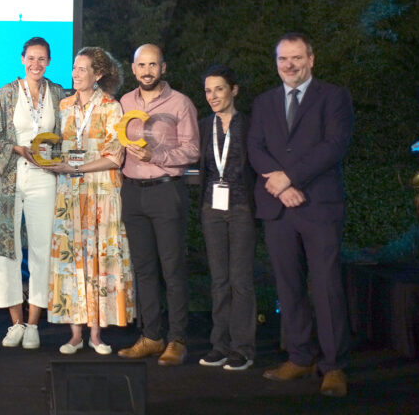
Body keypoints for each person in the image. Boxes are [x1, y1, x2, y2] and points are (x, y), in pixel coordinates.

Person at [248, 33, 354, 397]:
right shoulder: (264, 102)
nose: (289, 65)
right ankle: (299, 355)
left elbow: (334, 146)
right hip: (279, 208)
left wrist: (290, 177)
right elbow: (255, 148)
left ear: (311, 59)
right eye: (282, 59)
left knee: (326, 288)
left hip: (319, 206)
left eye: (296, 58)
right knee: (288, 286)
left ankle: (334, 365)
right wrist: (281, 186)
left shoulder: (334, 97)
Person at [44, 47, 134, 355]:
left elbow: (115, 155)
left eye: (82, 69)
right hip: (70, 192)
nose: (75, 74)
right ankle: (74, 333)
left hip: (101, 193)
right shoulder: (64, 106)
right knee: (72, 261)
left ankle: (96, 333)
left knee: (99, 260)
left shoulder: (112, 106)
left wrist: (76, 167)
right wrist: (47, 157)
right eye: (74, 68)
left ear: (98, 74)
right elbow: (59, 146)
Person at [116, 43, 200, 366]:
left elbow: (192, 150)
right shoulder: (124, 103)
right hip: (133, 191)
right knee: (144, 268)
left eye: (154, 65)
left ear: (163, 68)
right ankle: (151, 336)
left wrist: (158, 156)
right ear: (134, 69)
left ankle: (178, 339)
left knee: (172, 267)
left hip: (167, 191)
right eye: (142, 65)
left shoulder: (180, 103)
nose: (147, 71)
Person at [0, 37, 65, 350]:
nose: (36, 64)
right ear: (22, 59)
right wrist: (18, 148)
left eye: (42, 59)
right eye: (31, 58)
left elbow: (65, 135)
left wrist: (49, 154)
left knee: (43, 249)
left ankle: (33, 324)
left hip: (44, 177)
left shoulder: (57, 93)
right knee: (6, 251)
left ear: (48, 61)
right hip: (8, 178)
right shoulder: (7, 93)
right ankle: (14, 322)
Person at [197, 64, 257, 371]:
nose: (212, 96)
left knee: (240, 280)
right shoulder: (205, 124)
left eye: (219, 89)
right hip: (212, 207)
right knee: (219, 280)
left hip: (242, 207)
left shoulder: (249, 124)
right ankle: (219, 345)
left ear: (234, 90)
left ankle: (243, 348)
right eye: (208, 90)